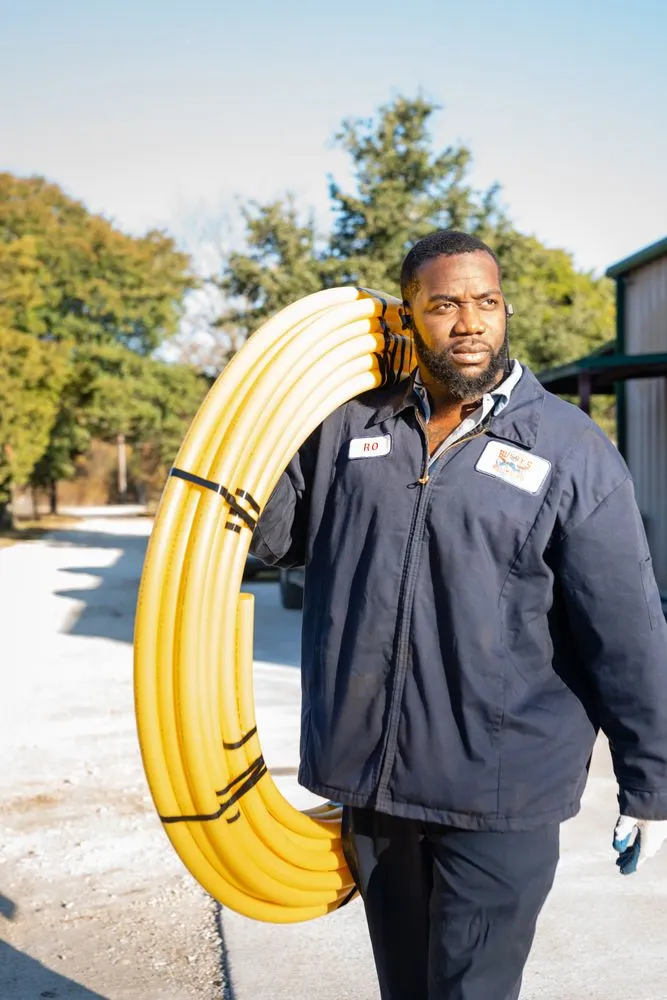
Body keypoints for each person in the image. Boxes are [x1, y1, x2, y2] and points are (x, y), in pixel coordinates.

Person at [250, 230, 667, 1000]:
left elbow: (626, 629)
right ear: (408, 314)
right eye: (443, 304)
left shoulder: (569, 449)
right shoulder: (351, 428)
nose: (469, 323)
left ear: (504, 310)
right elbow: (273, 539)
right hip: (375, 788)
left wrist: (650, 782)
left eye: (486, 302)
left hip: (498, 793)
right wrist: (258, 424)